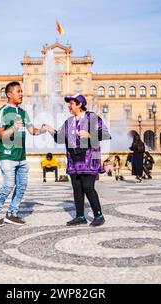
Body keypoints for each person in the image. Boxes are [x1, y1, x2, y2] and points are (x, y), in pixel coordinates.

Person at [43, 93, 111, 227]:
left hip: (89, 159)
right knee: (77, 188)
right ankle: (80, 216)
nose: (68, 106)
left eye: (71, 103)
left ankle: (99, 215)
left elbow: (105, 134)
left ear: (79, 105)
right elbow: (60, 139)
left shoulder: (92, 118)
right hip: (73, 160)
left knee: (88, 187)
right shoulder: (69, 121)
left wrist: (90, 134)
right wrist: (50, 130)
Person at [0, 81, 47, 227]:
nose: (21, 94)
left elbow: (33, 131)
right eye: (18, 91)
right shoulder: (2, 111)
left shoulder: (23, 113)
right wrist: (13, 128)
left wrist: (45, 130)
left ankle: (12, 214)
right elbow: (1, 135)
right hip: (7, 156)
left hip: (21, 157)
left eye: (21, 91)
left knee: (22, 186)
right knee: (9, 185)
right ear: (9, 94)